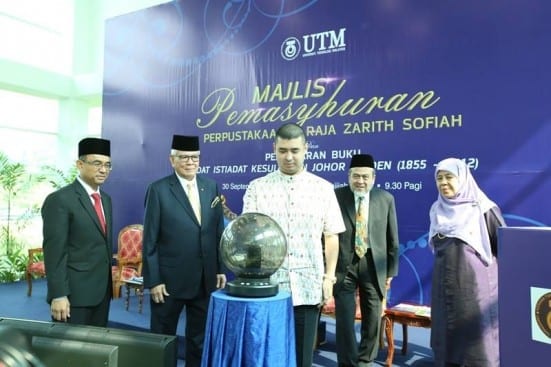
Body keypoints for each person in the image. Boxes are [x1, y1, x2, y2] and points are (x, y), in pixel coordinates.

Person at [242, 123, 345, 367]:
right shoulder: (257, 188)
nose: (289, 157)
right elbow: (249, 237)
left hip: (308, 284)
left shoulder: (323, 188)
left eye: (295, 150)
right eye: (283, 150)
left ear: (306, 149)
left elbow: (331, 236)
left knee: (302, 358)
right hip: (268, 287)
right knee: (267, 353)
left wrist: (329, 278)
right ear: (274, 149)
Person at [142, 134, 226, 367]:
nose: (190, 162)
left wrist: (219, 268)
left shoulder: (210, 187)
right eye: (184, 157)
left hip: (204, 279)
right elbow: (149, 241)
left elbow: (218, 231)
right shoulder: (158, 190)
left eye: (195, 157)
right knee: (163, 338)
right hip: (168, 283)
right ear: (172, 160)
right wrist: (154, 280)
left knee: (198, 339)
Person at [429, 158, 505, 367]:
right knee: (446, 341)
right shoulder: (436, 209)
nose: (443, 183)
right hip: (443, 288)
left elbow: (504, 247)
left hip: (476, 291)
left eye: (449, 177)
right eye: (439, 178)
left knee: (477, 343)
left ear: (462, 178)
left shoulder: (483, 209)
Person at [333, 154, 400, 367]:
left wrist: (390, 272)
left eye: (365, 176)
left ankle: (365, 360)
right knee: (344, 317)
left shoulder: (385, 199)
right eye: (356, 176)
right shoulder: (335, 196)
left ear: (373, 178)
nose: (360, 181)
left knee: (372, 318)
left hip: (374, 265)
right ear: (348, 176)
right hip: (343, 265)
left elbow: (392, 239)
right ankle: (347, 362)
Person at [41, 137, 113, 327]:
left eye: (107, 165)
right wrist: (58, 294)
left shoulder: (105, 199)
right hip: (74, 296)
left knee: (96, 352)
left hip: (102, 294)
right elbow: (54, 252)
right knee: (70, 354)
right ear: (80, 164)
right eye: (97, 163)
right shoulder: (60, 200)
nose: (103, 169)